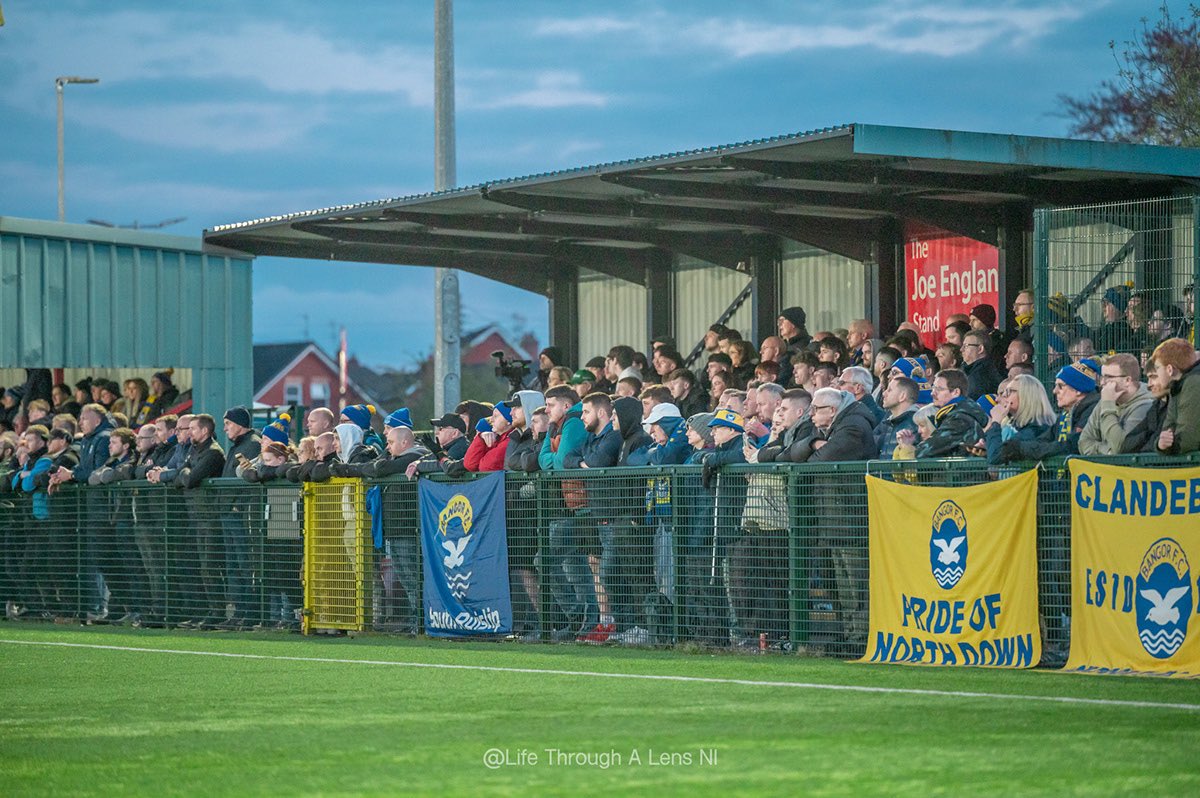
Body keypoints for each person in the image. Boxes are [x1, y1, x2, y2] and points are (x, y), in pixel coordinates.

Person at [172, 415, 227, 628]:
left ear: (204, 431)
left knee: (210, 565)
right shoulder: (194, 450)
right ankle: (204, 610)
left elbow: (190, 478)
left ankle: (218, 610)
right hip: (196, 516)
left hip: (209, 517)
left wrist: (185, 475)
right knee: (198, 565)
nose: (189, 432)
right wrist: (185, 475)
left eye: (193, 428)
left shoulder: (213, 452)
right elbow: (181, 475)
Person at [995, 359, 1101, 463]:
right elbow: (1044, 439)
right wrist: (1014, 446)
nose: (1055, 391)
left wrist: (1021, 448)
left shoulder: (1093, 411)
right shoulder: (1064, 416)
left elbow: (1070, 446)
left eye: (1060, 386)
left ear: (1078, 389)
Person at [1078, 354, 1155, 456]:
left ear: (1127, 380)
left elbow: (1120, 447)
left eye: (1108, 377)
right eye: (1102, 377)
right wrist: (1108, 451)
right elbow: (1083, 442)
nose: (1102, 382)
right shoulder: (1105, 401)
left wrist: (1108, 405)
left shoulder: (1145, 405)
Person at [983, 375, 1057, 466]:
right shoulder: (1018, 425)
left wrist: (996, 422)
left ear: (1026, 395)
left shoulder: (1037, 428)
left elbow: (996, 456)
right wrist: (986, 449)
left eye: (1010, 391)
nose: (1004, 396)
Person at [915, 370, 988, 459]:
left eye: (939, 389)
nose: (932, 393)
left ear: (956, 392)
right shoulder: (960, 413)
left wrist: (908, 447)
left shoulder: (959, 419)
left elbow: (923, 451)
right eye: (933, 388)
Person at [1151, 338, 1200, 455]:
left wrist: (1168, 449)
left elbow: (1189, 438)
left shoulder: (1194, 383)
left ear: (1169, 369)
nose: (1156, 373)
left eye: (1157, 368)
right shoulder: (1176, 386)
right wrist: (1161, 444)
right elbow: (1168, 428)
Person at [874, 376, 919, 458]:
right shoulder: (887, 423)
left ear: (902, 396)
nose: (884, 394)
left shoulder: (916, 423)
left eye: (889, 390)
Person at [961, 330, 1003, 399]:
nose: (961, 349)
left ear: (980, 349)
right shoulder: (970, 371)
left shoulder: (982, 375)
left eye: (966, 346)